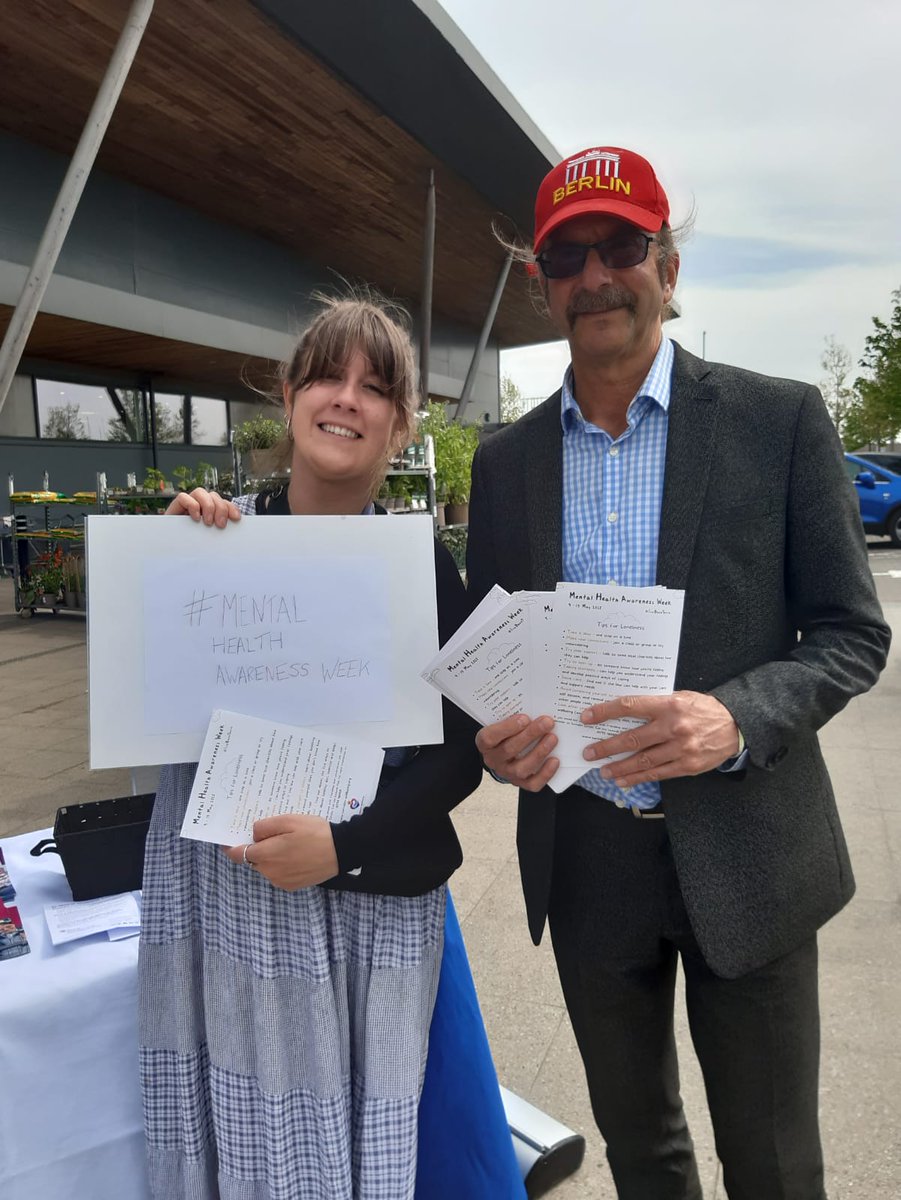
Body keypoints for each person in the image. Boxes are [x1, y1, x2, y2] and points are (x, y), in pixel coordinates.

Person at [466, 146, 891, 1200]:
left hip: (749, 846)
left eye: (622, 247)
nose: (595, 274)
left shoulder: (778, 420)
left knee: (774, 1161)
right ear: (540, 280)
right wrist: (498, 732)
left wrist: (735, 719)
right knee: (642, 1153)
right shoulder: (507, 464)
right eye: (568, 255)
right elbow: (492, 657)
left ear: (669, 267)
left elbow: (849, 631)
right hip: (588, 857)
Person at [138, 293, 522, 1199]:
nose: (346, 398)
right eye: (326, 375)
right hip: (228, 889)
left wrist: (342, 847)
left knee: (359, 1139)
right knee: (242, 1132)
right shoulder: (209, 537)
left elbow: (464, 748)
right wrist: (159, 570)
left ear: (401, 421)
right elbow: (144, 701)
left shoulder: (420, 564)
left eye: (375, 386)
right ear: (287, 393)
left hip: (369, 898)